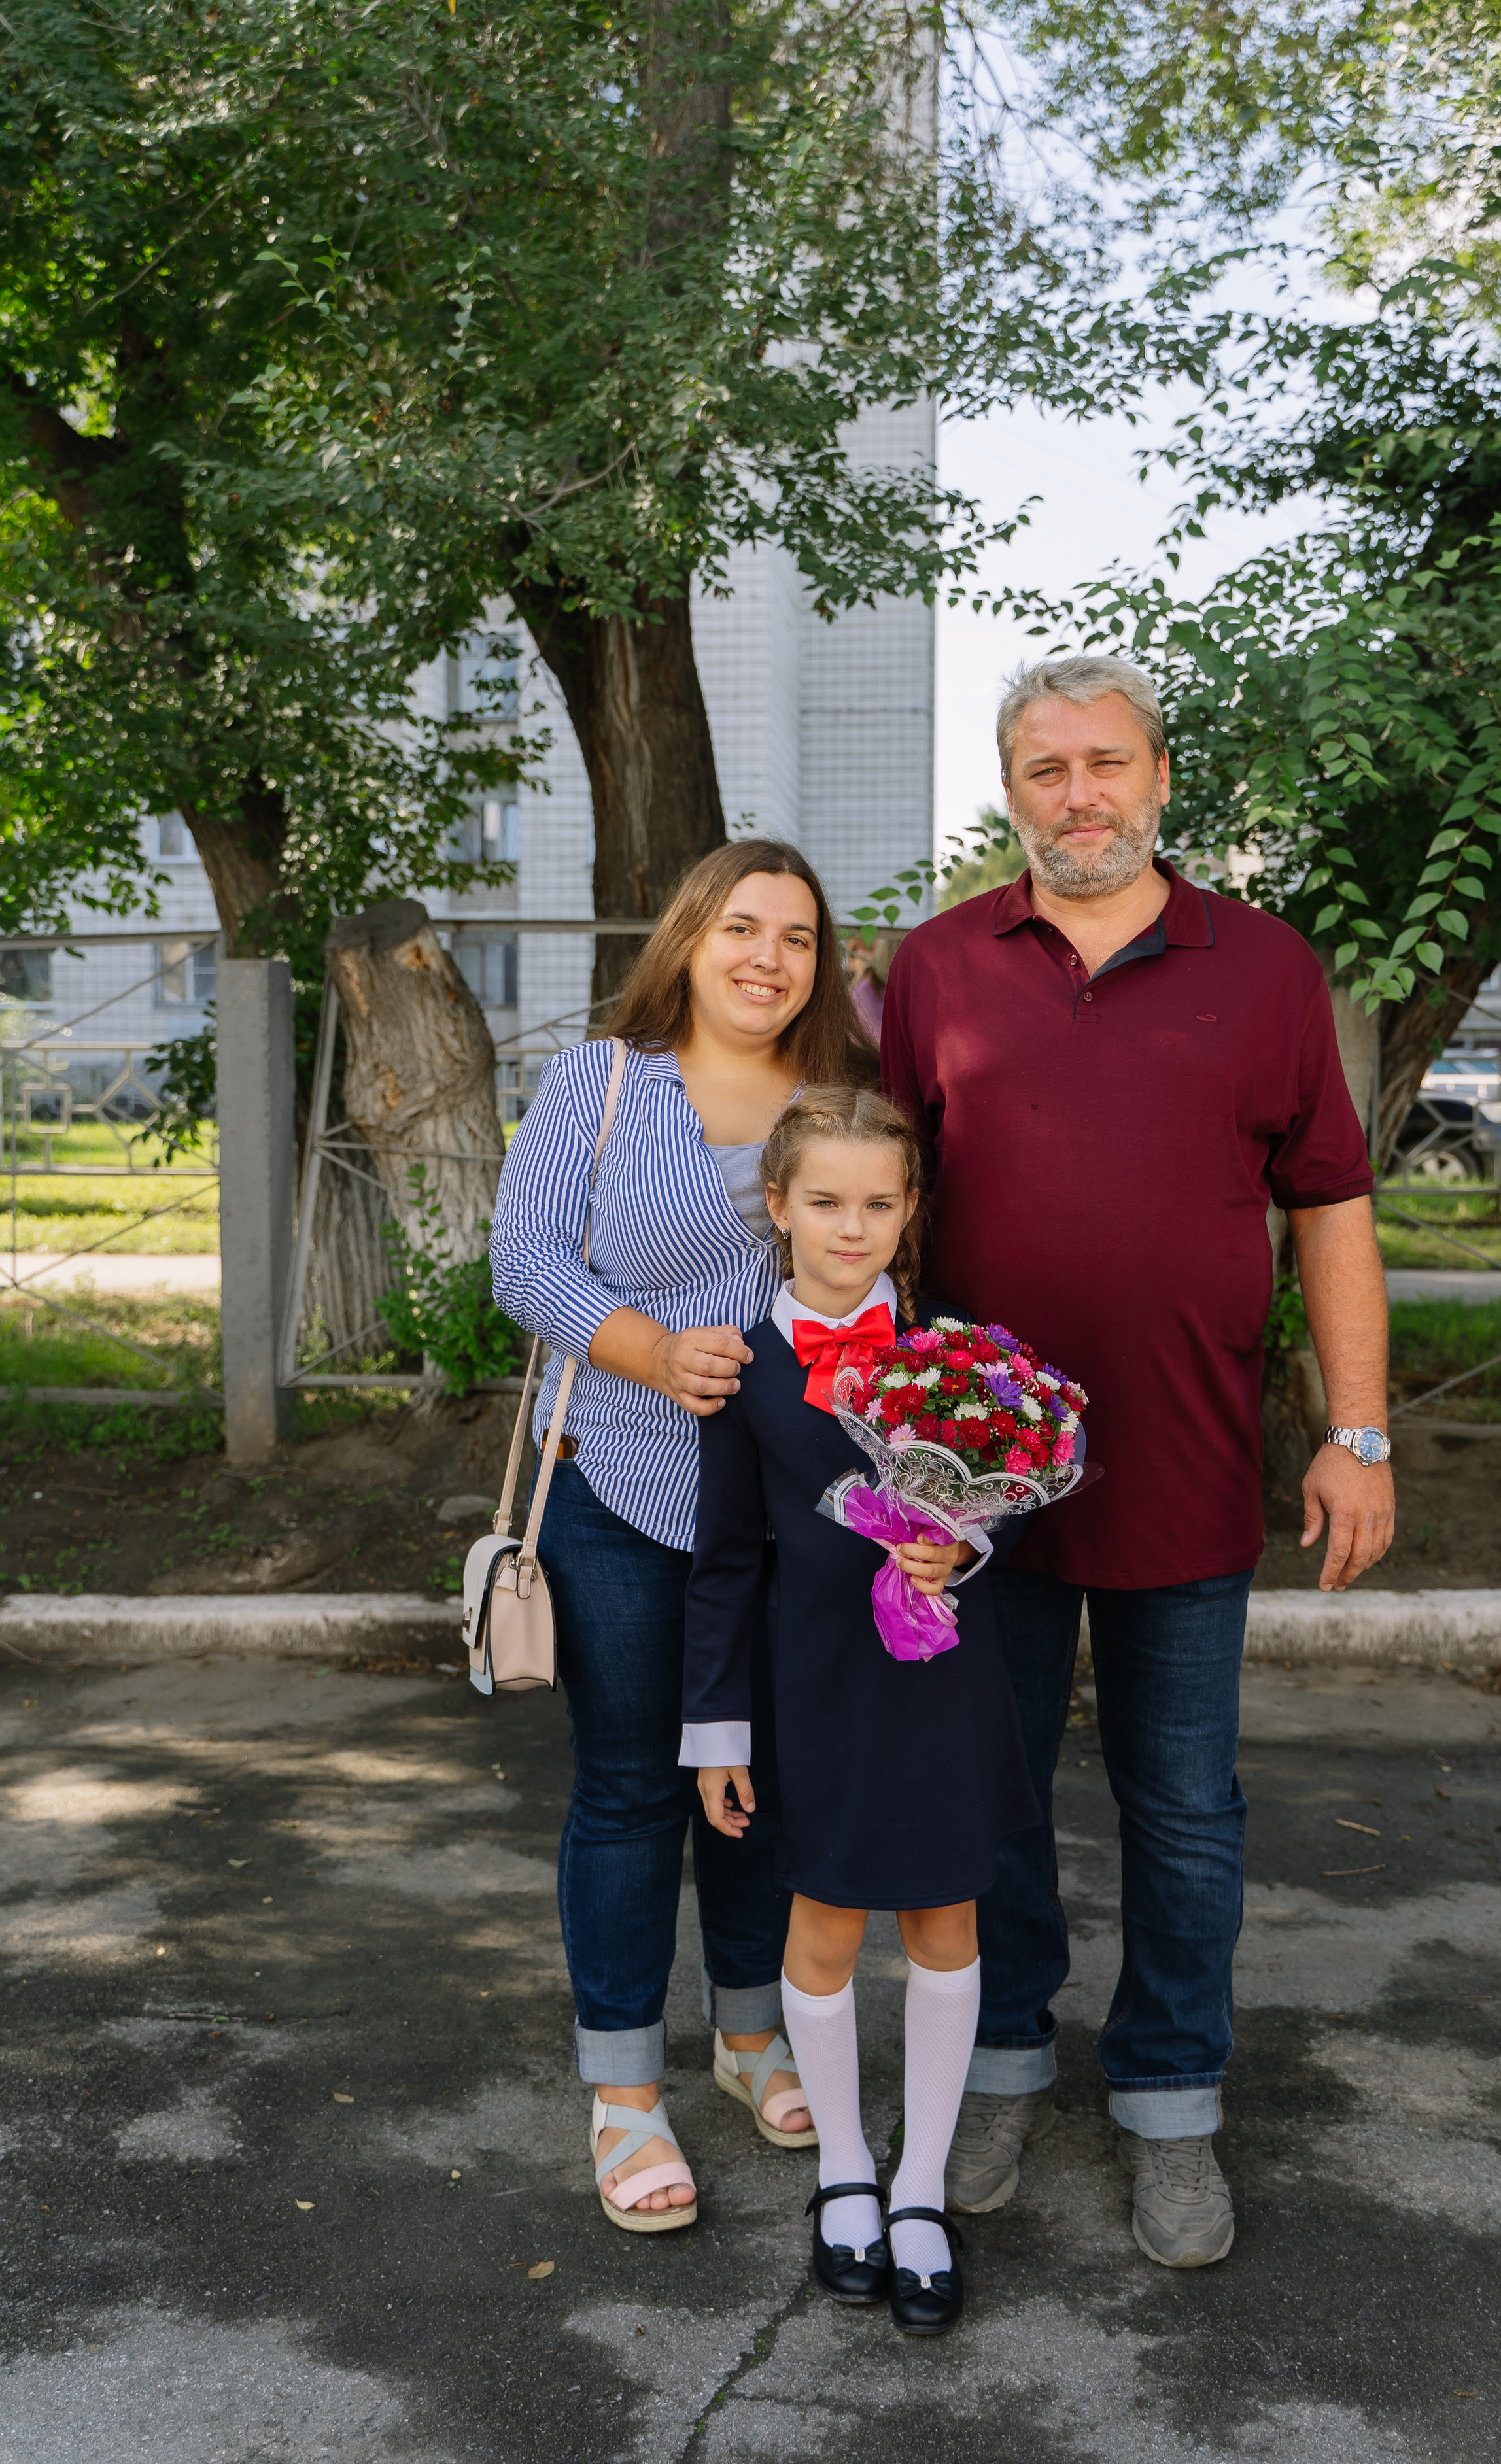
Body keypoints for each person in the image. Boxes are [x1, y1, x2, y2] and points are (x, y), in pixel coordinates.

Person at [880, 653, 1394, 2268]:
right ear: (1009, 788)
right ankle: (1004, 2068)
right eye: (1045, 769)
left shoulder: (1263, 968)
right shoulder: (937, 967)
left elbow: (1328, 1212)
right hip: (976, 1486)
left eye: (1106, 763)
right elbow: (872, 1213)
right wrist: (885, 1455)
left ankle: (1170, 2098)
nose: (1077, 795)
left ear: (1159, 778)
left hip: (1184, 1455)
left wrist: (1355, 1432)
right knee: (994, 1790)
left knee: (1181, 1805)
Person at [491, 838, 875, 2233]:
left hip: (784, 1507)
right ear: (689, 940)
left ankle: (747, 2034)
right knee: (633, 1787)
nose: (768, 957)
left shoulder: (837, 1105)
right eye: (741, 928)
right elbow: (521, 1260)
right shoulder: (599, 1082)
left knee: (757, 1778)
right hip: (619, 1486)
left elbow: (876, 1264)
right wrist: (650, 1351)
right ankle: (622, 2093)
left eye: (797, 937)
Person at [683, 1086, 1039, 2335]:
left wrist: (965, 1551)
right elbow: (727, 1557)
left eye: (878, 1204)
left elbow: (998, 1504)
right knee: (825, 1927)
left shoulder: (957, 1348)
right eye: (825, 1202)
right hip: (814, 1688)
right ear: (776, 1207)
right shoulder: (739, 1363)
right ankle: (845, 2169)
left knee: (946, 1919)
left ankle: (922, 2188)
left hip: (940, 1679)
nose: (852, 1227)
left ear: (910, 1211)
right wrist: (717, 1729)